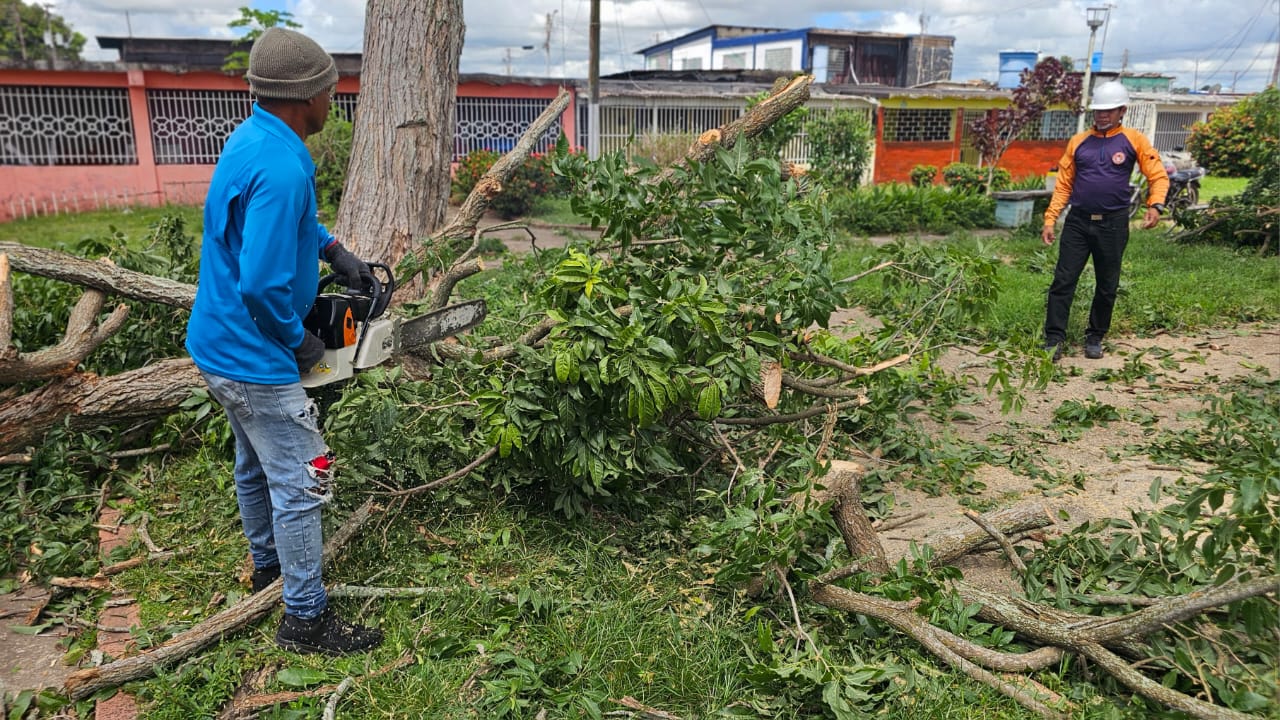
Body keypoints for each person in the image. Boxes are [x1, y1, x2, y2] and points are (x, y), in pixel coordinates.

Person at [185, 27, 382, 656]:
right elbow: (262, 285)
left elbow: (280, 226)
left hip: (217, 345)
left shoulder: (254, 139)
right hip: (254, 354)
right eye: (330, 91)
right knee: (304, 476)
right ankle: (305, 619)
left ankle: (269, 569)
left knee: (254, 464)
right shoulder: (281, 167)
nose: (333, 100)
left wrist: (333, 250)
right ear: (307, 96)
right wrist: (299, 342)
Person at [1041, 81, 1168, 361]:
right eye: (1099, 110)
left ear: (1122, 111)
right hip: (1077, 222)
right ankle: (1054, 338)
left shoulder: (1134, 140)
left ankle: (1095, 336)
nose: (1102, 115)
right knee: (1063, 280)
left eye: (1109, 110)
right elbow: (1063, 184)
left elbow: (1157, 174)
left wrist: (1155, 204)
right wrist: (1051, 219)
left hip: (1113, 223)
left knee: (1107, 283)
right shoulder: (1078, 142)